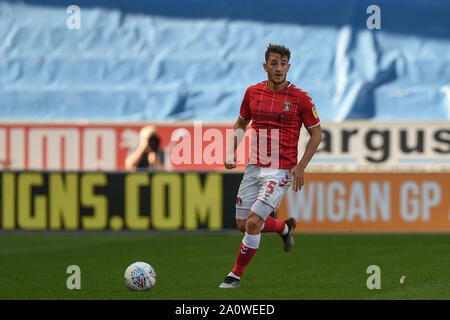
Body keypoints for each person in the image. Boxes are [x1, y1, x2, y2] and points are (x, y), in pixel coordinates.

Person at [219, 44, 323, 288]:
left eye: (283, 63)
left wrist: (300, 166)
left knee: (254, 222)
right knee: (243, 225)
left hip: (282, 170)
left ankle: (234, 277)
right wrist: (229, 150)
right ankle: (284, 228)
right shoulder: (253, 93)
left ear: (289, 67)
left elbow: (316, 134)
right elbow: (241, 123)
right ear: (265, 66)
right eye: (274, 63)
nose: (279, 68)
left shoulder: (301, 98)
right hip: (254, 166)